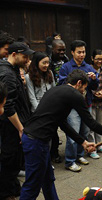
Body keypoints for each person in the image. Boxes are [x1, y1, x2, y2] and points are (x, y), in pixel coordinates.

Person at [20, 69, 102, 200]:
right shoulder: (74, 94)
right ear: (79, 83)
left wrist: (83, 142)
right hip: (36, 141)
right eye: (84, 89)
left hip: (36, 140)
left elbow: (63, 124)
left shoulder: (57, 90)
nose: (83, 92)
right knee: (32, 185)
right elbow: (90, 121)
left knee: (47, 179)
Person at [59, 40, 99, 172]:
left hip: (86, 104)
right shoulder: (66, 67)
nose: (82, 55)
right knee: (73, 133)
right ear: (72, 52)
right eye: (79, 52)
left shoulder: (88, 67)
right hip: (72, 107)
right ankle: (70, 161)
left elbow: (95, 87)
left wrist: (94, 79)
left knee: (85, 132)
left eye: (83, 52)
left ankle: (80, 155)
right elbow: (61, 85)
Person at [0, 42, 34, 200]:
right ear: (13, 54)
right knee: (10, 160)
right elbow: (8, 107)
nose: (27, 59)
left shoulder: (12, 69)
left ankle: (13, 188)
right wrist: (20, 129)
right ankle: (8, 193)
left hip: (17, 122)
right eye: (25, 56)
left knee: (13, 161)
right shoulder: (7, 74)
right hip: (11, 126)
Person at [88, 49, 102, 159]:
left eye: (101, 59)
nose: (99, 61)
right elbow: (86, 86)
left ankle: (99, 145)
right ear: (92, 58)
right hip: (91, 102)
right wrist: (95, 93)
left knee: (100, 125)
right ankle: (92, 148)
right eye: (97, 59)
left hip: (101, 102)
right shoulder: (88, 69)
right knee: (91, 126)